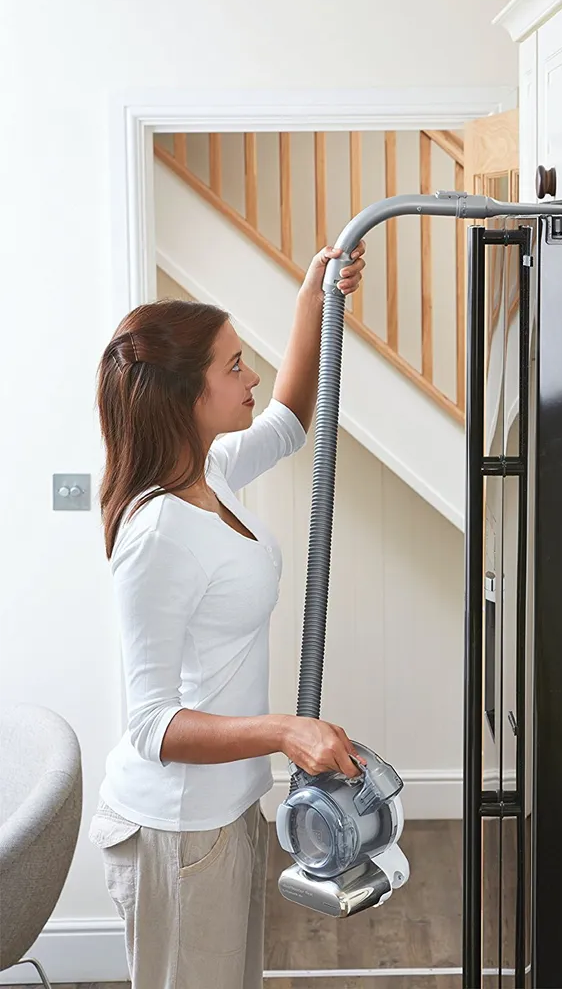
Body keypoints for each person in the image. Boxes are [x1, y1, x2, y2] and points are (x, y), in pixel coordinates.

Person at [88, 243, 366, 989]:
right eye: (234, 366)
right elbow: (152, 725)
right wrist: (284, 731)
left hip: (229, 807)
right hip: (177, 828)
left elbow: (290, 421)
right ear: (188, 396)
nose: (251, 378)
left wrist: (314, 299)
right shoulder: (157, 532)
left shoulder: (207, 470)